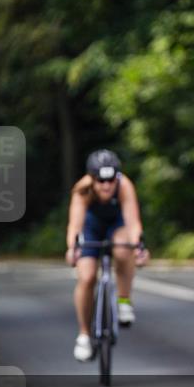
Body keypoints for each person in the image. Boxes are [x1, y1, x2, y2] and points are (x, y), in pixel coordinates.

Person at [65, 150, 149, 362]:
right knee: (86, 277)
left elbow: (133, 223)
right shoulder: (82, 190)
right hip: (91, 227)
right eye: (101, 181)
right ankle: (84, 335)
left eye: (111, 180)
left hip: (117, 225)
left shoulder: (125, 185)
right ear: (92, 179)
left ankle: (124, 301)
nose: (106, 186)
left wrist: (139, 248)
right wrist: (73, 249)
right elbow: (75, 226)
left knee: (123, 249)